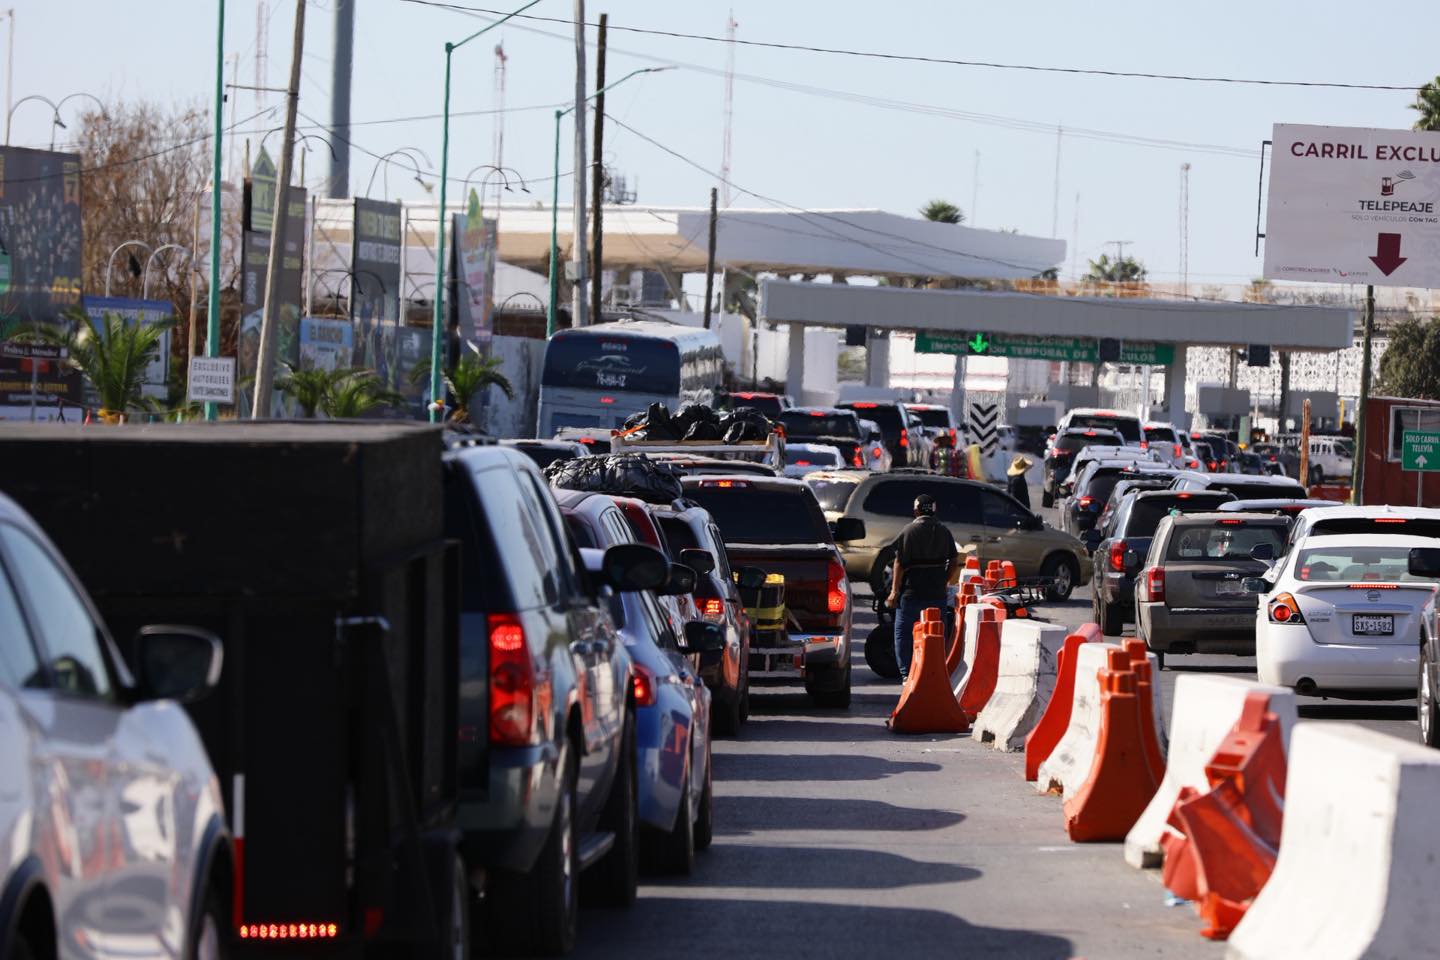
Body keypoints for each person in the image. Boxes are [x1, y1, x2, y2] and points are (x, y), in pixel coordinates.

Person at [884, 494, 962, 682]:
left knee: (903, 634)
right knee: (937, 633)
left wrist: (894, 592)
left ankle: (906, 674)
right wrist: (943, 580)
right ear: (934, 510)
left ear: (916, 510)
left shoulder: (909, 531)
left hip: (911, 594)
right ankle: (935, 671)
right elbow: (954, 561)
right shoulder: (944, 531)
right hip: (936, 594)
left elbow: (899, 563)